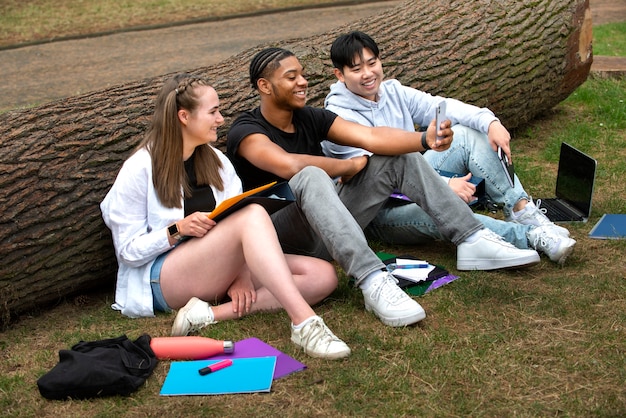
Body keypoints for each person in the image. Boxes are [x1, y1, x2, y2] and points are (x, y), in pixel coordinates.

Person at [226, 47, 541, 327]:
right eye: (291, 77)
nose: (303, 82)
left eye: (303, 75)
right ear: (265, 86)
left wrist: (422, 140)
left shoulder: (311, 117)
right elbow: (288, 165)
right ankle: (372, 280)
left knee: (395, 157)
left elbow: (371, 138)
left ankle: (470, 237)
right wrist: (346, 166)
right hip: (279, 241)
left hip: (328, 231)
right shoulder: (246, 130)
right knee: (310, 175)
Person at [100, 73, 351, 360]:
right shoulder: (140, 167)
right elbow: (128, 252)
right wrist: (175, 230)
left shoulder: (217, 161)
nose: (221, 119)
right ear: (184, 116)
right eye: (213, 112)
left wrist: (241, 273)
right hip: (161, 278)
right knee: (253, 213)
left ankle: (208, 314)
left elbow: (233, 222)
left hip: (216, 267)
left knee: (322, 275)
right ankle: (305, 324)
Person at [322, 31, 576, 265]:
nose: (368, 73)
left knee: (466, 133)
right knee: (442, 208)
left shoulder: (392, 91)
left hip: (415, 179)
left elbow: (442, 106)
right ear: (340, 75)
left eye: (372, 63)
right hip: (378, 211)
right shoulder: (337, 116)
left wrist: (490, 122)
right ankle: (532, 236)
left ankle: (521, 209)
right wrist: (443, 186)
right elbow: (379, 177)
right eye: (356, 69)